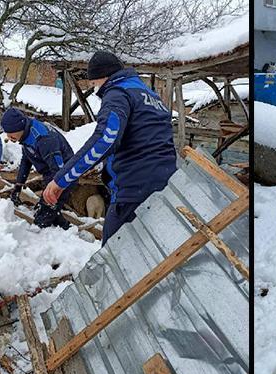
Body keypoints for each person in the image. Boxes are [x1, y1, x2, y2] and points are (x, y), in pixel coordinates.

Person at [42, 51, 177, 246]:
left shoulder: (117, 93)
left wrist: (61, 180)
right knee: (150, 250)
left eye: (94, 83)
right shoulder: (149, 94)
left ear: (103, 77)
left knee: (114, 253)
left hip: (134, 189)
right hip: (165, 184)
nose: (93, 88)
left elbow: (106, 139)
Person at [0, 107, 74, 229]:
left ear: (20, 127)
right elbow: (26, 160)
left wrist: (49, 197)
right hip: (50, 173)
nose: (8, 136)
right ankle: (66, 228)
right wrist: (18, 186)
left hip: (64, 176)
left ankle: (60, 238)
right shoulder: (26, 133)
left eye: (11, 132)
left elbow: (59, 171)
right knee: (46, 211)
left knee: (42, 219)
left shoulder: (44, 139)